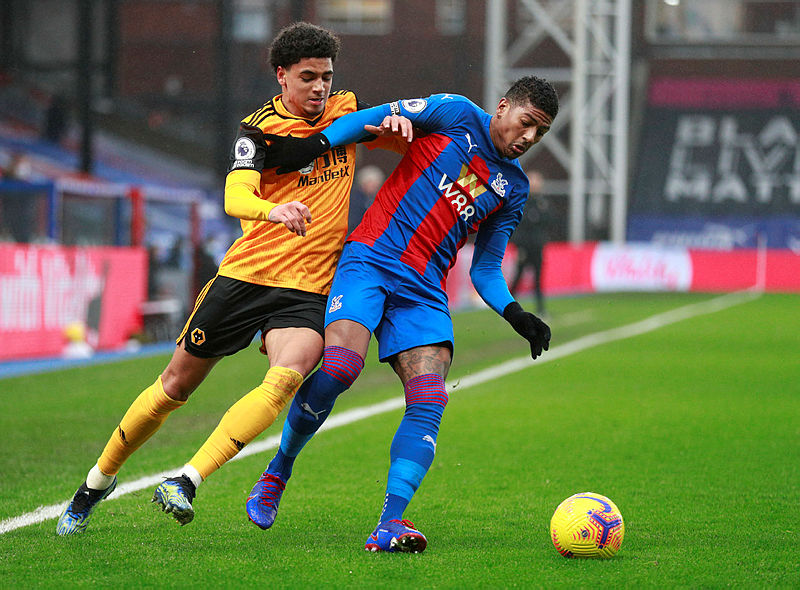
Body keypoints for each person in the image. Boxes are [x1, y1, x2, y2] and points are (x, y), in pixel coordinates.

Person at [56, 21, 411, 536]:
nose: (320, 88)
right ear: (281, 76)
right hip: (247, 275)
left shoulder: (347, 111)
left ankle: (187, 480)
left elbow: (400, 142)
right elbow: (234, 197)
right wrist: (273, 211)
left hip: (309, 287)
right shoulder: (257, 129)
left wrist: (402, 134)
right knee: (173, 387)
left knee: (286, 377)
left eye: (326, 77)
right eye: (308, 77)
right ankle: (95, 483)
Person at [245, 76, 559, 553]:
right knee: (340, 367)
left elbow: (488, 266)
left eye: (541, 132)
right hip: (371, 258)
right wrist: (311, 146)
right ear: (503, 107)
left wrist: (517, 313)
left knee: (430, 398)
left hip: (426, 288)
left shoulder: (512, 188)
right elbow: (364, 119)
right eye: (527, 123)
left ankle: (390, 522)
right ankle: (278, 469)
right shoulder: (454, 112)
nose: (530, 139)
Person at [509, 170, 550, 315]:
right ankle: (507, 308)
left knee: (538, 280)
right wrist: (519, 247)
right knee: (518, 278)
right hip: (524, 248)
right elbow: (518, 225)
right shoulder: (523, 200)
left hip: (537, 247)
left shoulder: (542, 202)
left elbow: (548, 222)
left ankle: (541, 309)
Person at [347, 165, 385, 236]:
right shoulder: (354, 199)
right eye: (371, 183)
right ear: (363, 183)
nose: (374, 187)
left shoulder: (379, 199)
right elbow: (353, 220)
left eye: (376, 184)